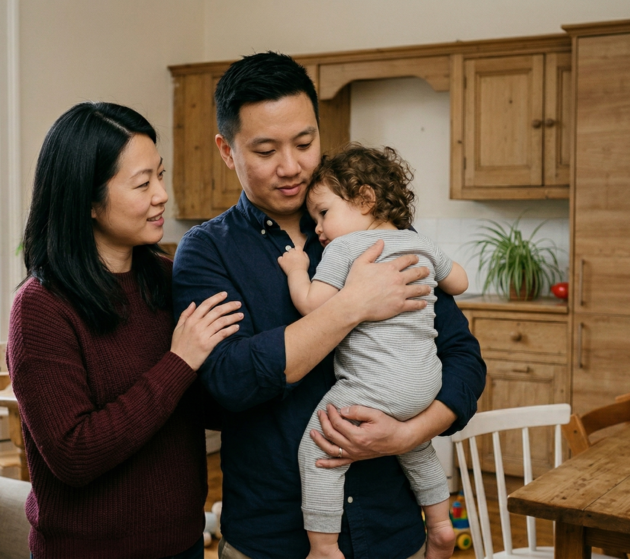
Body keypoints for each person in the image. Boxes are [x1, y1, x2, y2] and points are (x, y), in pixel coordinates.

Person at [172, 52, 486, 559]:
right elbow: (229, 381)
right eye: (266, 150)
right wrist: (351, 306)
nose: (291, 167)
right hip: (273, 540)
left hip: (392, 531)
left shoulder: (379, 230)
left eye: (304, 143)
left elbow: (463, 358)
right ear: (227, 151)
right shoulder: (208, 251)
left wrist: (407, 433)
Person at [7, 102, 242, 558]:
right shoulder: (40, 308)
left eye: (161, 175)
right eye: (142, 183)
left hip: (184, 543)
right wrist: (179, 362)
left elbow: (202, 407)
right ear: (88, 201)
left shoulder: (170, 277)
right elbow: (74, 455)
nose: (162, 195)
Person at [278, 144, 468, 559]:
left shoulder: (346, 249)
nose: (319, 229)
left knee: (319, 445)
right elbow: (460, 282)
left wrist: (297, 270)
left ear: (364, 199)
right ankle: (440, 526)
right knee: (413, 446)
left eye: (323, 213)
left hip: (378, 383)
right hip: (425, 382)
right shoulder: (418, 243)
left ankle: (323, 547)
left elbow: (312, 305)